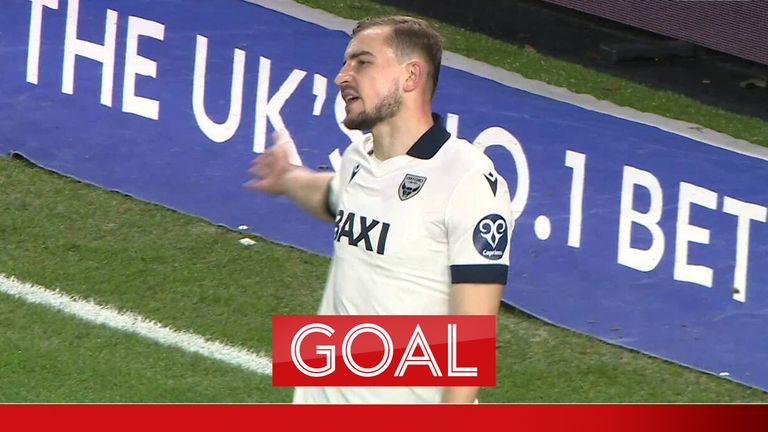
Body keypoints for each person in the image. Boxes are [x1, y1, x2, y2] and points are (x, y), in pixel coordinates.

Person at [245, 15, 512, 404]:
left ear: (410, 76)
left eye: (362, 63)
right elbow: (332, 197)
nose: (342, 77)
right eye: (345, 64)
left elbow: (474, 336)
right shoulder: (360, 159)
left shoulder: (466, 180)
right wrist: (288, 178)